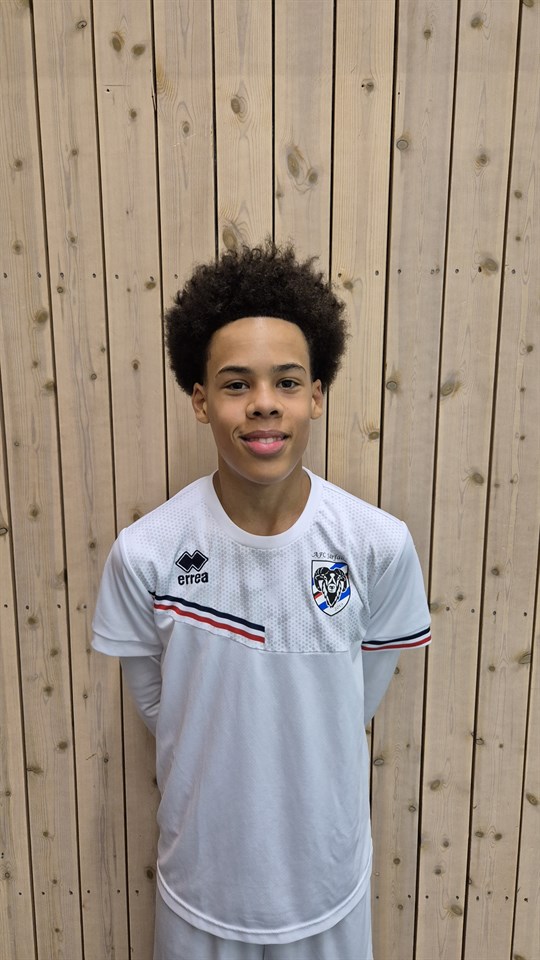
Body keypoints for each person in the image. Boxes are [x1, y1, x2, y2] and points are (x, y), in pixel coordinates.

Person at [92, 241, 431, 960]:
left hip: (328, 884)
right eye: (236, 383)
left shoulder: (377, 544)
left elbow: (358, 696)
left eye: (287, 381)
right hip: (201, 884)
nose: (264, 403)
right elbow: (157, 704)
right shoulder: (147, 552)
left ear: (316, 396)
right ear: (200, 401)